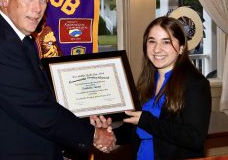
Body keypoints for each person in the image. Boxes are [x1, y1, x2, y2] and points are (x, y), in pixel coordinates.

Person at [0, 0, 115, 160]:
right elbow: (39, 111)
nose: (37, 8)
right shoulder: (3, 47)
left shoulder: (15, 38)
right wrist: (94, 135)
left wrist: (86, 118)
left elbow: (39, 98)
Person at [90, 16, 211, 159]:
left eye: (166, 42)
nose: (157, 49)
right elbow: (135, 127)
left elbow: (194, 138)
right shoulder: (147, 81)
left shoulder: (196, 84)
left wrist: (147, 121)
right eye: (152, 41)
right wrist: (108, 133)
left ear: (181, 48)